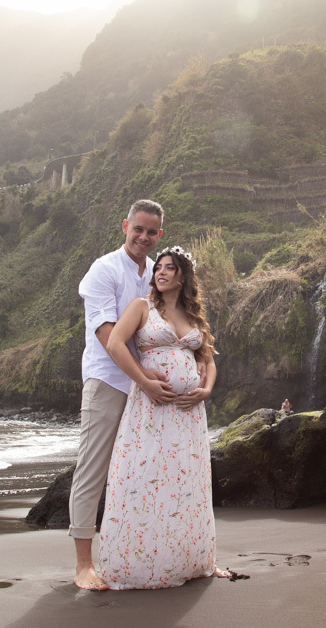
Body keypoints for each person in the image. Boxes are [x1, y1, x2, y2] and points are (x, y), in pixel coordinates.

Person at [98, 245, 230, 589]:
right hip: (151, 409)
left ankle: (189, 558)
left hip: (188, 415)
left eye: (170, 268)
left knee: (185, 483)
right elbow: (114, 343)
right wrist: (144, 382)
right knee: (145, 478)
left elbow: (210, 361)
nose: (161, 272)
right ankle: (140, 563)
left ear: (182, 275)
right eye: (159, 267)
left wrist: (206, 390)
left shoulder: (194, 317)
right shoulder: (142, 307)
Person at [70, 199, 178, 591]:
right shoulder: (104, 269)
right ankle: (84, 564)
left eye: (152, 232)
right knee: (93, 469)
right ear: (125, 226)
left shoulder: (156, 273)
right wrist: (143, 380)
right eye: (138, 229)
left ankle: (136, 552)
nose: (144, 237)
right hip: (108, 382)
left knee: (139, 471)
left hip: (145, 389)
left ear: (160, 235)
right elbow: (106, 334)